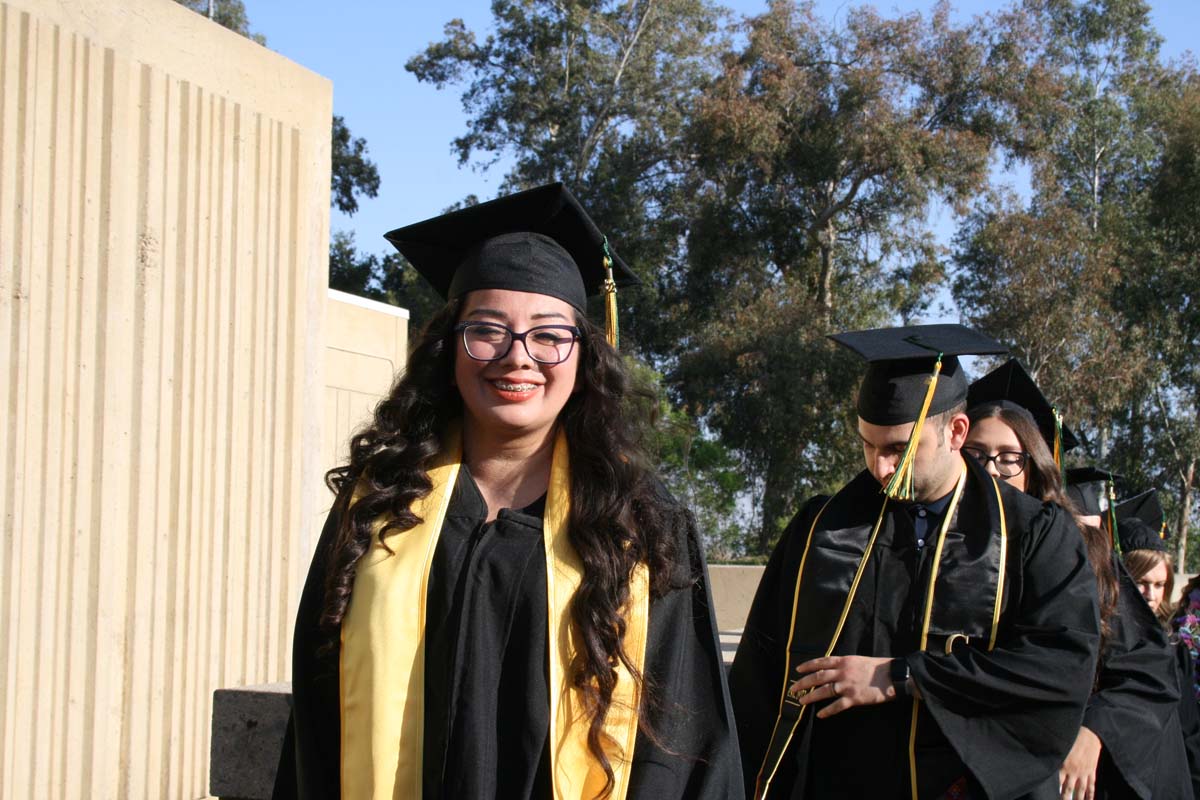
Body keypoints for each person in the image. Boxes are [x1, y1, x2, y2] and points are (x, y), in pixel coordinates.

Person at [273, 184, 743, 800]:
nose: (518, 357)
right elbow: (318, 708)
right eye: (488, 331)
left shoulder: (639, 523)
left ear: (582, 357)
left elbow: (686, 735)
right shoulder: (381, 500)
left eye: (549, 335)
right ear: (450, 350)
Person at [729, 326, 1102, 800]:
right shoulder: (821, 529)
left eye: (899, 450)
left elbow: (1057, 666)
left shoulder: (1031, 533)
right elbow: (758, 676)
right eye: (868, 444)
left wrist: (902, 676)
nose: (880, 467)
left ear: (957, 432)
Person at [965, 361, 1189, 800]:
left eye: (1009, 458)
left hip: (1070, 773)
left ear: (1034, 466)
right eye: (975, 454)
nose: (991, 469)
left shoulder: (1081, 549)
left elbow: (1147, 668)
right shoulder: (941, 550)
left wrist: (1095, 732)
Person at [1117, 493, 1200, 799]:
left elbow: (1190, 732)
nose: (1150, 594)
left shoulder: (1174, 649)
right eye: (1141, 582)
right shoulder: (1104, 651)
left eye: (1159, 585)